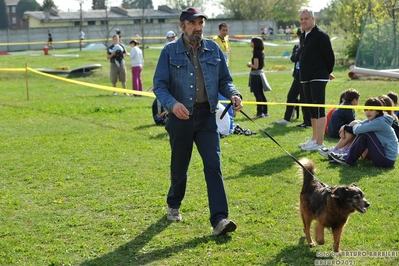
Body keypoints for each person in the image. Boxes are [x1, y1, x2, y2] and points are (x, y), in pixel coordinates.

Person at [153, 7, 243, 236]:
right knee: (180, 166)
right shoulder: (169, 51)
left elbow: (225, 80)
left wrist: (234, 94)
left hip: (206, 118)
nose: (198, 26)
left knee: (214, 164)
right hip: (180, 118)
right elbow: (160, 86)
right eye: (193, 23)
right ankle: (173, 204)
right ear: (182, 25)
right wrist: (173, 105)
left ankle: (220, 219)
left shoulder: (213, 49)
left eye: (201, 22)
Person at [297, 8, 335, 151]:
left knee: (319, 109)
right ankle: (314, 139)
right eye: (301, 19)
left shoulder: (321, 35)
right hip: (305, 77)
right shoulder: (303, 35)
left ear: (313, 19)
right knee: (311, 110)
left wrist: (326, 72)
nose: (303, 21)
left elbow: (329, 56)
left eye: (306, 18)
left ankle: (320, 142)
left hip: (318, 77)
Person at [330, 97, 398, 167]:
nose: (368, 112)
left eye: (371, 110)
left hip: (386, 160)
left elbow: (357, 130)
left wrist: (345, 127)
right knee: (364, 131)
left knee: (366, 134)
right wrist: (346, 127)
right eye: (366, 110)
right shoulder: (376, 119)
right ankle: (346, 157)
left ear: (377, 111)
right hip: (383, 156)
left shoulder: (379, 122)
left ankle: (347, 159)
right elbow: (360, 125)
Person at [275, 28, 311, 126]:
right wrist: (299, 49)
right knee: (291, 96)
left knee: (304, 99)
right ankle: (287, 118)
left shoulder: (309, 47)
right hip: (297, 76)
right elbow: (293, 58)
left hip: (305, 77)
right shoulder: (297, 46)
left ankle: (307, 122)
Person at [246, 37, 270, 119]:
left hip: (255, 75)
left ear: (255, 43)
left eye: (251, 42)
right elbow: (262, 65)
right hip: (260, 74)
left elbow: (255, 66)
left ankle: (259, 113)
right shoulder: (261, 52)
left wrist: (249, 64)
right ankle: (265, 112)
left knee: (258, 94)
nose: (250, 43)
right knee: (261, 94)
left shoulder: (256, 53)